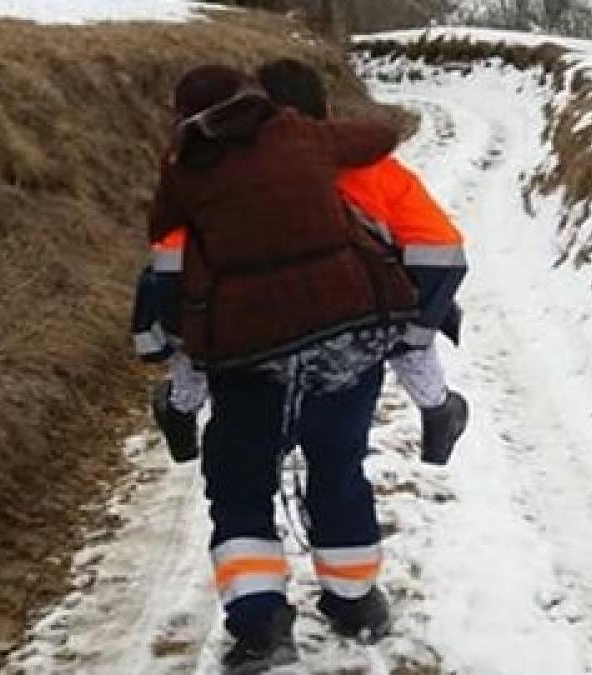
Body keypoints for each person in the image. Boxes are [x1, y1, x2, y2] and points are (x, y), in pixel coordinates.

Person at [143, 63, 421, 673]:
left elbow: (162, 231)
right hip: (346, 334)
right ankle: (355, 604)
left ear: (184, 116)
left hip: (251, 352)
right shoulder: (299, 132)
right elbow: (378, 136)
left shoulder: (186, 165)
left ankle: (261, 625)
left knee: (240, 483)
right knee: (339, 466)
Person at [134, 58, 470, 468]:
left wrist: (177, 333)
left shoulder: (219, 177)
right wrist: (411, 329)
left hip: (250, 325)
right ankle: (437, 408)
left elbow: (173, 263)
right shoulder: (372, 170)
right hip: (357, 314)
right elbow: (439, 249)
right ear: (325, 109)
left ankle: (181, 409)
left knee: (202, 324)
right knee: (399, 302)